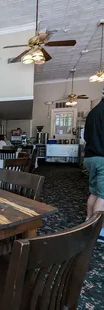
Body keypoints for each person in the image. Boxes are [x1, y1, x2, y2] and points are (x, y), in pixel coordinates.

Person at [84, 89, 104, 243]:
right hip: (102, 158)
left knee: (94, 192)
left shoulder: (92, 113)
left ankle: (88, 222)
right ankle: (99, 231)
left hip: (90, 158)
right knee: (103, 196)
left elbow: (85, 137)